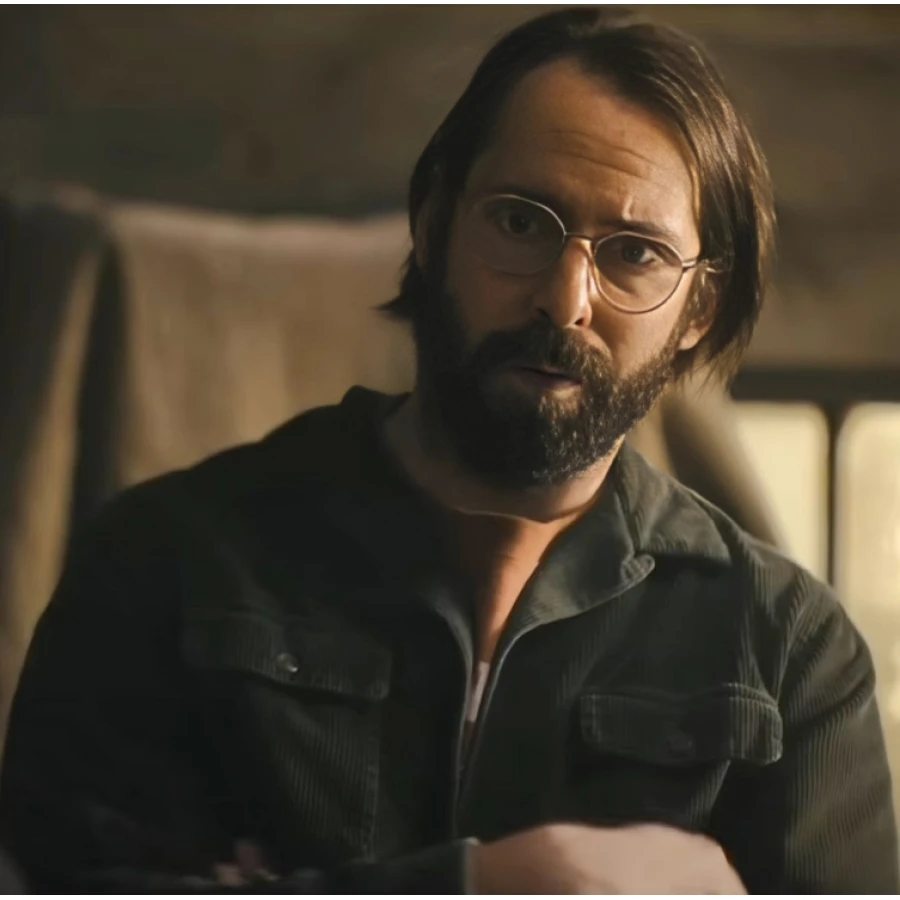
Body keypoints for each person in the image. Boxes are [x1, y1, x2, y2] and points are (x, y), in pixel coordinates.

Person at [1, 7, 896, 894]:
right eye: (521, 223)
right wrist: (484, 885)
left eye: (635, 253)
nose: (565, 300)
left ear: (698, 310)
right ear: (432, 226)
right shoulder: (163, 563)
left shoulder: (787, 650)